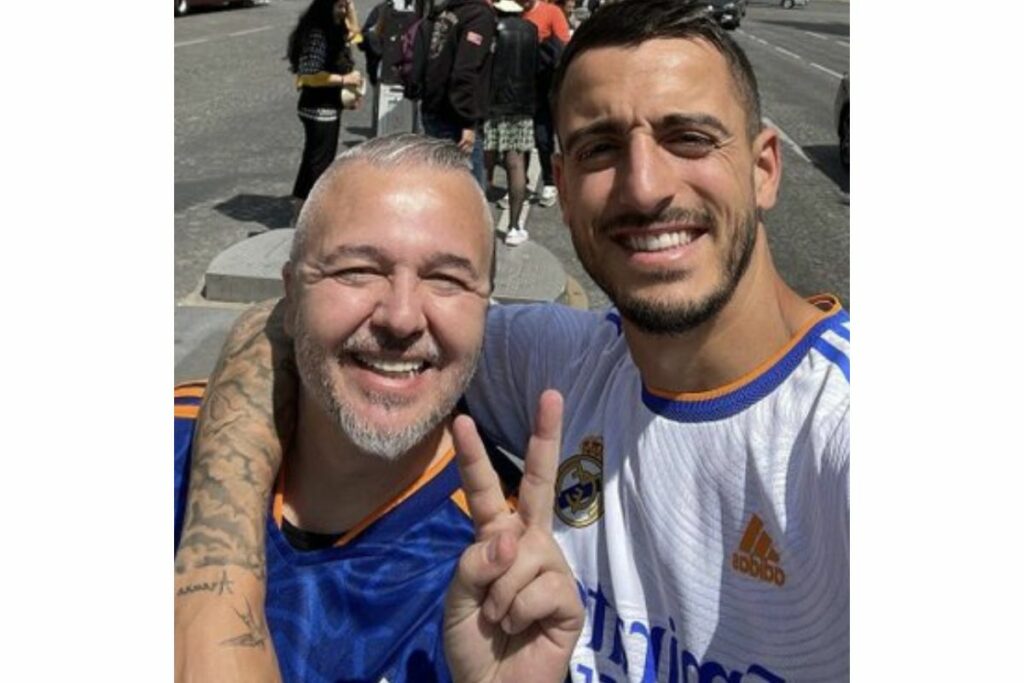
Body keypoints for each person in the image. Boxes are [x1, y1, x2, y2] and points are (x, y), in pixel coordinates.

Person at [176, 0, 850, 680]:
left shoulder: (840, 430)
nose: (645, 187)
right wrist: (216, 578)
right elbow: (303, 328)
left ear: (766, 168)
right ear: (561, 180)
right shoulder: (564, 360)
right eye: (600, 148)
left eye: (689, 139)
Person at [174, 134, 582, 682]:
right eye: (357, 270)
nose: (401, 316)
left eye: (447, 279)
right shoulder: (177, 436)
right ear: (289, 299)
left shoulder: (507, 583)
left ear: (488, 310)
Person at [287, 0, 365, 223]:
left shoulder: (333, 28)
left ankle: (300, 212)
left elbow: (357, 38)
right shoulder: (318, 35)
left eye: (344, 6)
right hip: (318, 107)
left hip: (325, 105)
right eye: (339, 6)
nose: (342, 11)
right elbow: (309, 75)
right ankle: (313, 217)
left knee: (312, 160)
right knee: (320, 163)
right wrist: (344, 79)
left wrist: (351, 12)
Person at [418, 0, 497, 187]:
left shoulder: (447, 11)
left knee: (438, 186)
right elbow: (465, 72)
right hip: (455, 119)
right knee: (466, 193)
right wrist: (468, 120)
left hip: (434, 107)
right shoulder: (479, 16)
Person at [483, 0, 539, 247]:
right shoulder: (531, 30)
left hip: (494, 104)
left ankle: (478, 221)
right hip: (522, 106)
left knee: (485, 161)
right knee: (516, 164)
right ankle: (515, 227)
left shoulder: (494, 29)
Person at [520, 0, 569, 209]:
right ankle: (520, 183)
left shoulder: (552, 12)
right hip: (519, 86)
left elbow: (563, 48)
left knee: (543, 136)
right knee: (520, 138)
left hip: (544, 84)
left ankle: (549, 182)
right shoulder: (510, 13)